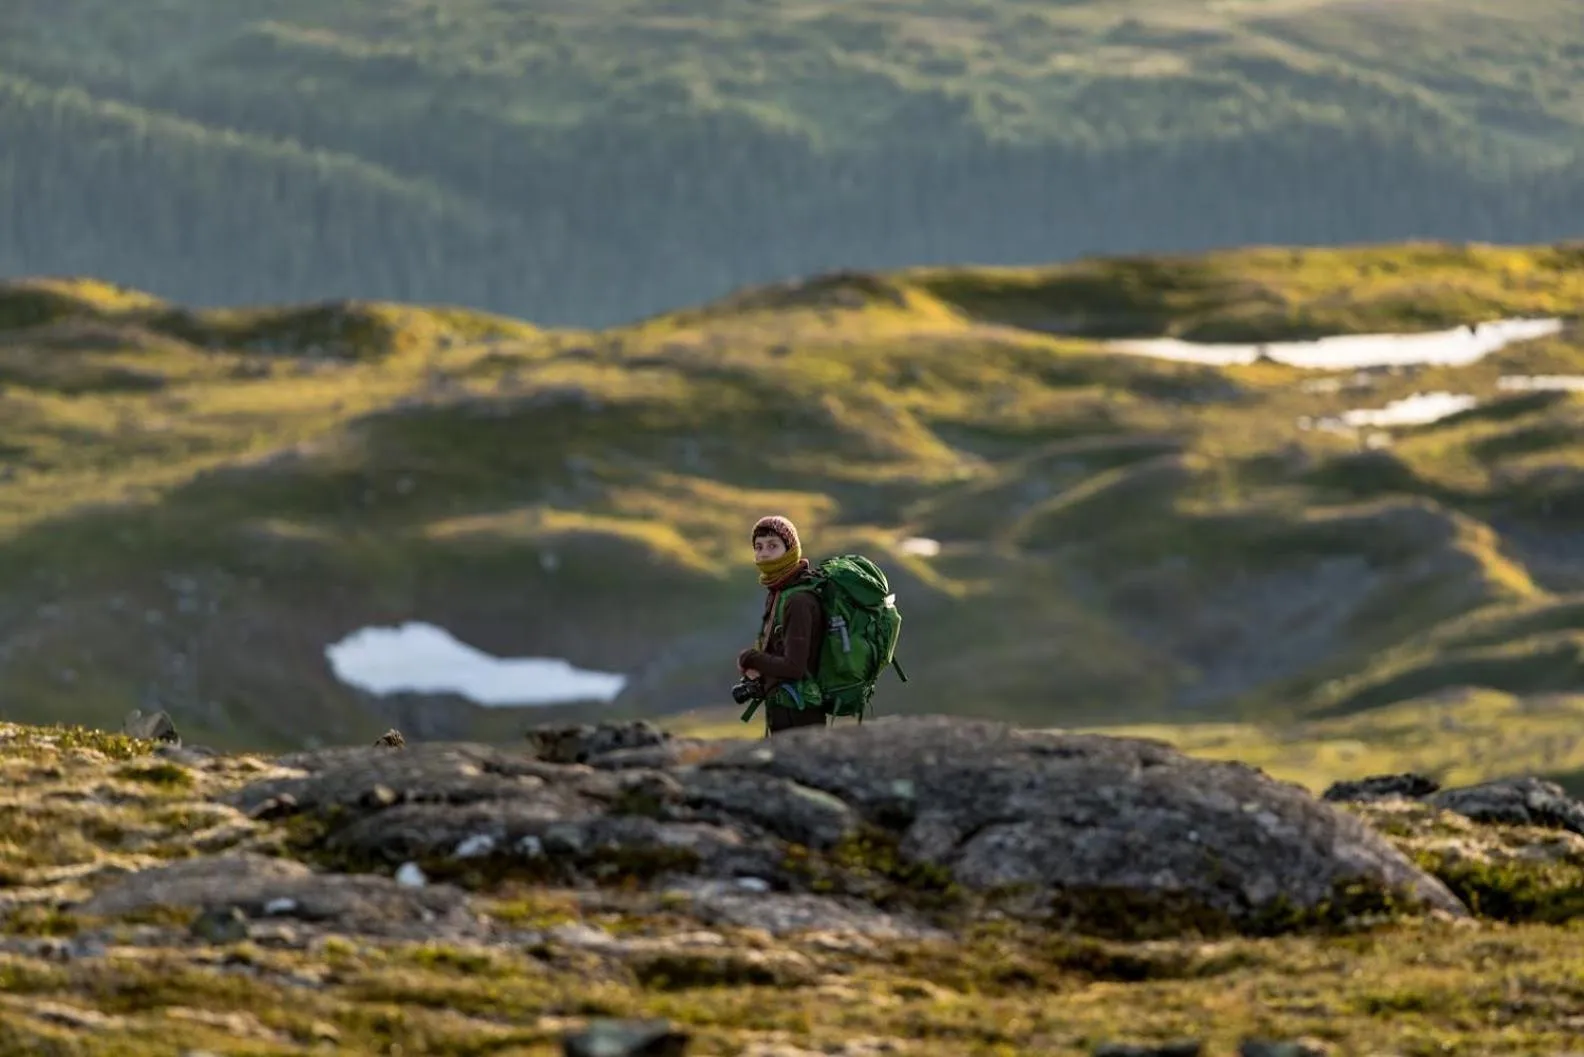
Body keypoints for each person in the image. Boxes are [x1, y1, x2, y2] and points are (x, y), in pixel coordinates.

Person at [737, 515, 828, 735]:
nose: (764, 553)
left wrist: (750, 658)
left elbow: (794, 668)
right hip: (786, 708)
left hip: (798, 713)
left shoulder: (798, 601)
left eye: (773, 546)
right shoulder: (780, 592)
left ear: (790, 550)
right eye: (758, 547)